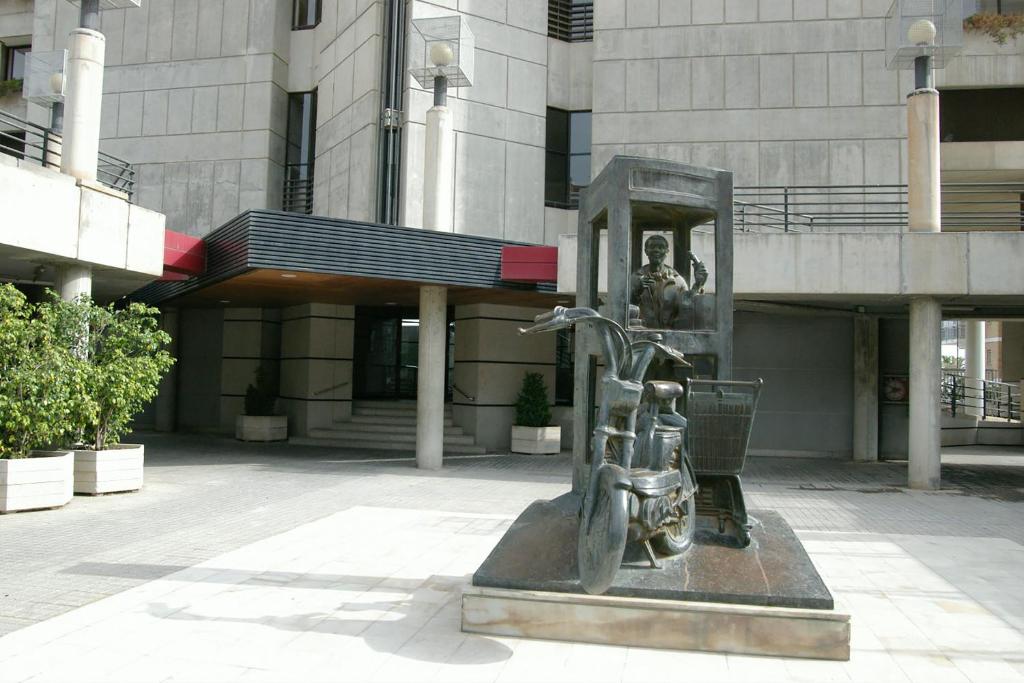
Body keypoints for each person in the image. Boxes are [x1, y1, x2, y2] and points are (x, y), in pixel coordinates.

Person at [629, 235, 707, 329]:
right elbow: (624, 309)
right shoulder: (635, 279)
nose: (656, 250)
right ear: (646, 251)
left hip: (670, 337)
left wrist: (698, 284)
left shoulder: (678, 281)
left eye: (661, 247)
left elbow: (686, 309)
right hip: (641, 336)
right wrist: (637, 290)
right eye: (652, 247)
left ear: (667, 252)